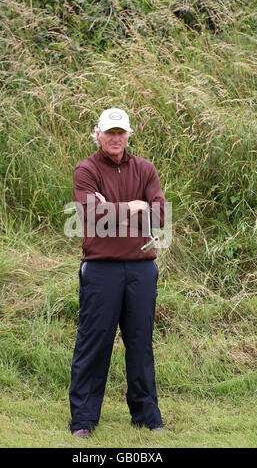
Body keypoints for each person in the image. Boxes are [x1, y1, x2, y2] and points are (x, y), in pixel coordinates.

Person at [69, 108, 166, 438]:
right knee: (94, 344)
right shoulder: (86, 170)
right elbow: (88, 216)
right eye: (109, 132)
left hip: (141, 269)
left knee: (141, 344)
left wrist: (110, 212)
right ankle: (83, 420)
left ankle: (147, 416)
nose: (115, 138)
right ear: (97, 134)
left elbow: (160, 216)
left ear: (128, 135)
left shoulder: (145, 169)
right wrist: (135, 208)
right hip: (100, 269)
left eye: (120, 132)